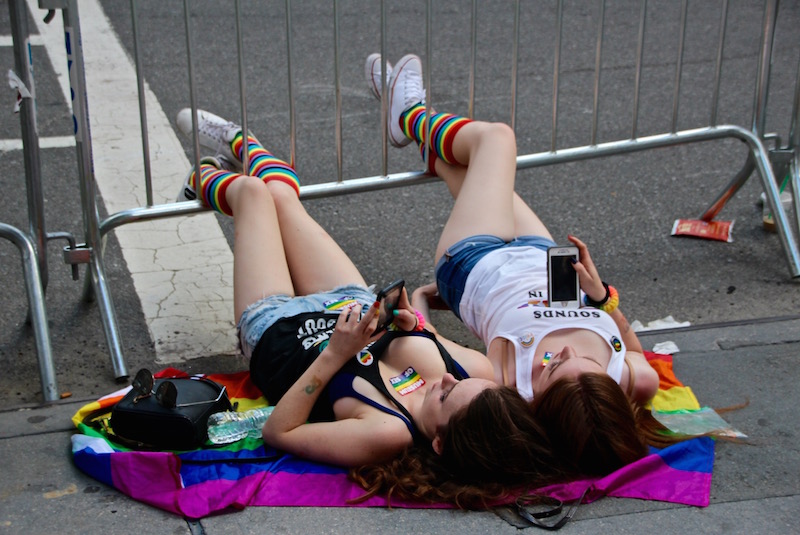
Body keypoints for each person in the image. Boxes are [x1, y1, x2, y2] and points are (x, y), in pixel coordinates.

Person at [173, 108, 568, 507]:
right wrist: (411, 321)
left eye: (446, 397)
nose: (445, 381)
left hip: (280, 329)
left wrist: (335, 355)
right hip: (352, 303)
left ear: (439, 444)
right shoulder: (476, 375)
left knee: (252, 195)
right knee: (279, 196)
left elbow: (280, 432)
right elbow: (425, 335)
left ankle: (203, 176)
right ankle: (239, 141)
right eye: (457, 383)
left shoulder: (386, 433)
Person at [366, 53, 669, 475]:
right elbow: (631, 348)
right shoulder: (635, 380)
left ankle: (409, 114)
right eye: (589, 363)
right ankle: (406, 115)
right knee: (460, 165)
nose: (565, 349)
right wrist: (601, 299)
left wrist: (418, 305)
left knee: (496, 141)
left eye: (555, 366)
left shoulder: (509, 386)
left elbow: (440, 355)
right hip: (541, 256)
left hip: (474, 262)